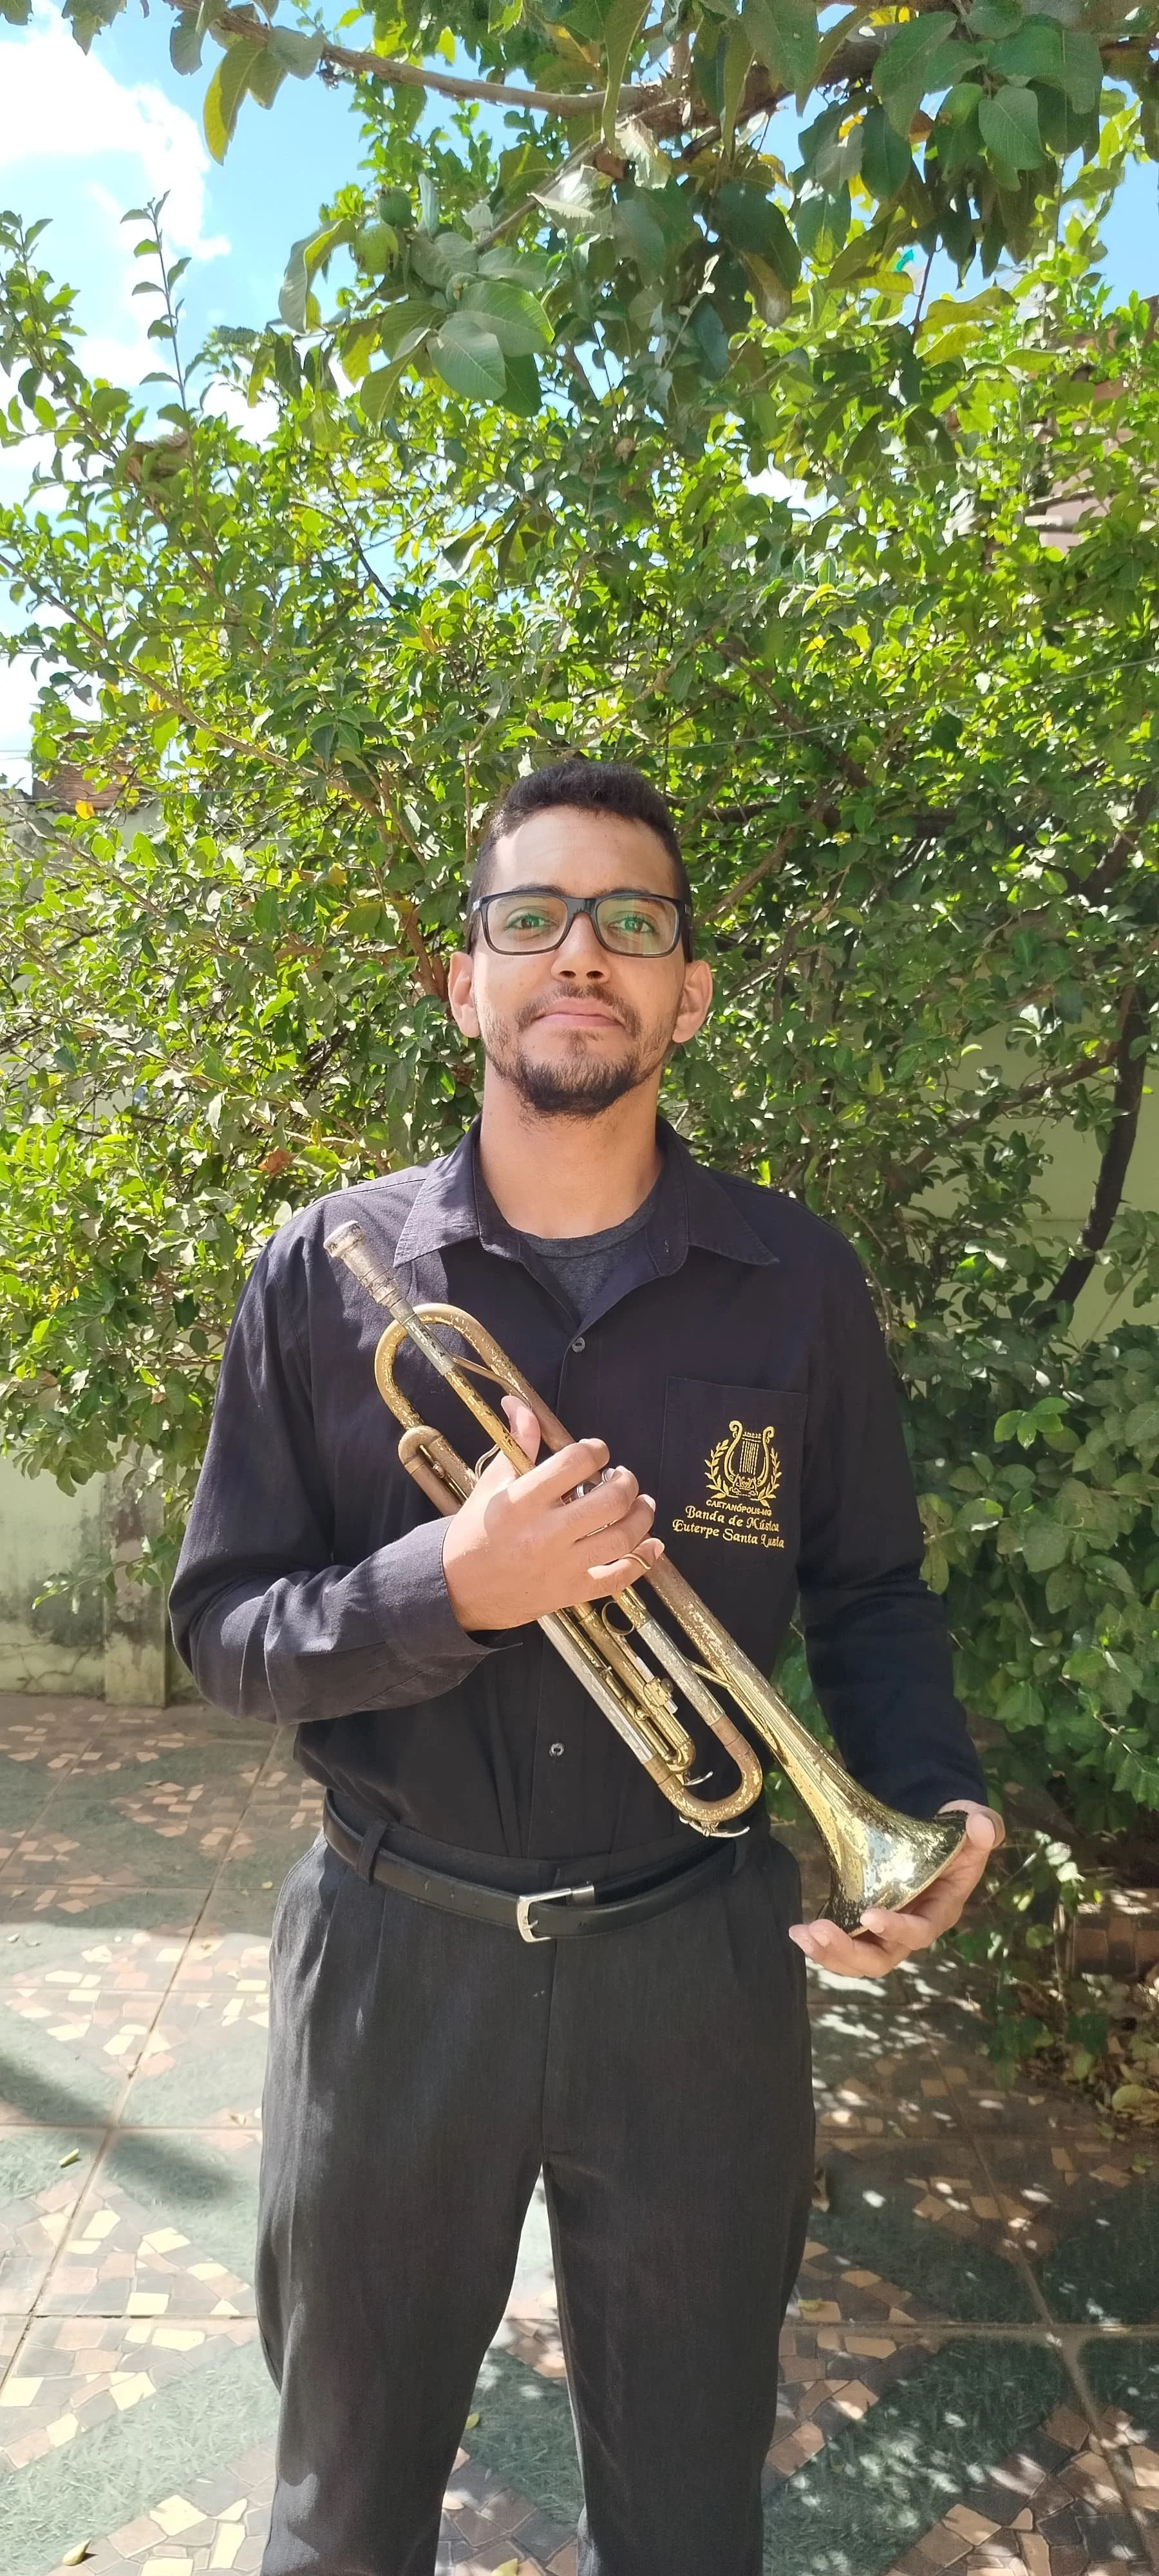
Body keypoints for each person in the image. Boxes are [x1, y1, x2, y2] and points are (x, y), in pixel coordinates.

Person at [169, 755, 1003, 2576]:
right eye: (531, 915)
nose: (581, 954)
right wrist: (448, 1587)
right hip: (396, 1964)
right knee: (341, 2505)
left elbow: (872, 1595)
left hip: (695, 1967)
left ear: (686, 992)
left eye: (631, 921)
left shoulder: (797, 1282)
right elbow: (225, 1636)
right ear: (463, 979)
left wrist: (923, 1801)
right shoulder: (324, 1273)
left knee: (691, 2504)